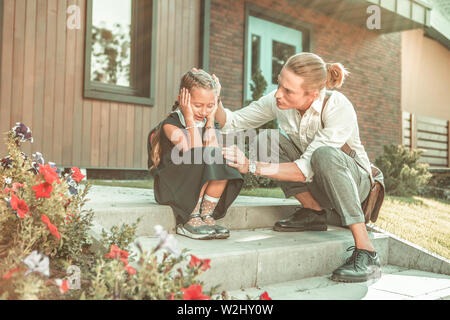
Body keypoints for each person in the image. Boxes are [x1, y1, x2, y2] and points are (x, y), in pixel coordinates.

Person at [218, 52, 383, 283]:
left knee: (323, 154)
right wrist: (213, 100)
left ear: (313, 94)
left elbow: (304, 169)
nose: (278, 94)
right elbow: (233, 121)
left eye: (288, 91)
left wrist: (250, 165)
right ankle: (313, 212)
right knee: (266, 140)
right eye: (279, 84)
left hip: (357, 184)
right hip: (319, 181)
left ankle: (367, 252)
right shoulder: (279, 102)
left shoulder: (337, 107)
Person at [149, 70, 244, 240]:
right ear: (183, 99)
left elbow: (214, 157)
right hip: (173, 187)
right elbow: (195, 155)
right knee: (203, 157)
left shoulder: (209, 120)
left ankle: (206, 215)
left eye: (209, 105)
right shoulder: (171, 124)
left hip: (192, 183)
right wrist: (190, 120)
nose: (203, 111)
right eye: (198, 105)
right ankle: (190, 218)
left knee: (221, 160)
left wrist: (211, 119)